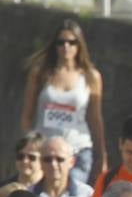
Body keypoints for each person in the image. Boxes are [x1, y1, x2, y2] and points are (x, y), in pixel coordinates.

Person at [20, 19, 106, 184]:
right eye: (61, 42)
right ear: (55, 45)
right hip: (45, 151)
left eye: (72, 42)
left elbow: (96, 119)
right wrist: (30, 145)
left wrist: (101, 156)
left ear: (79, 45)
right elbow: (27, 115)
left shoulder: (91, 76)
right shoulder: (41, 73)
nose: (66, 47)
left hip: (78, 150)